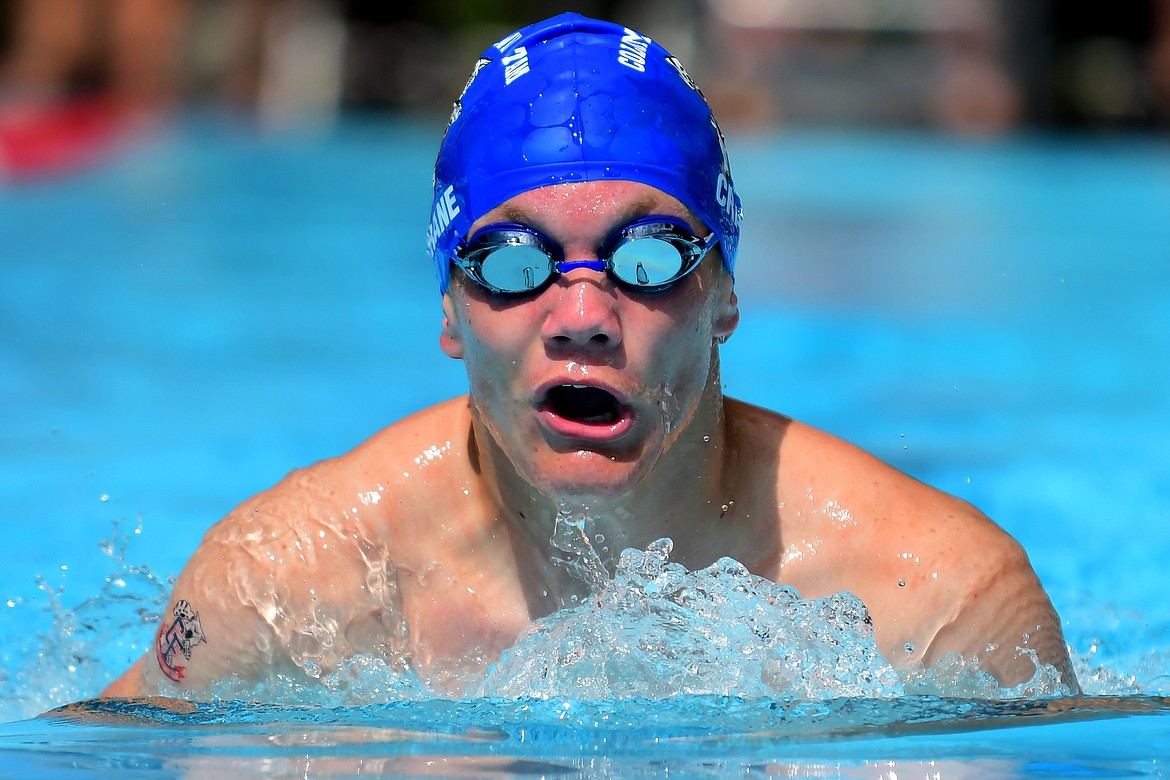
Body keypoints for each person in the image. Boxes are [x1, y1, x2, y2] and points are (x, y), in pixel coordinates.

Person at [102, 12, 1077, 699]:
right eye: (512, 264)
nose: (581, 312)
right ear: (450, 312)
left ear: (725, 292)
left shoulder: (936, 600)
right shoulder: (287, 588)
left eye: (646, 257)